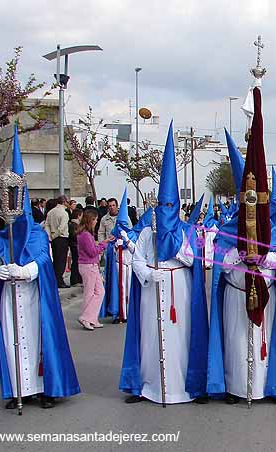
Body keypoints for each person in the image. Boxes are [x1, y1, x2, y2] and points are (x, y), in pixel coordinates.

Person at [207, 99, 276, 406]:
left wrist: (265, 258)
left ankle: (263, 387)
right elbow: (217, 258)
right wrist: (238, 258)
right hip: (235, 294)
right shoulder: (226, 227)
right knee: (234, 341)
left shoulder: (272, 227)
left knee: (264, 340)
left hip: (265, 291)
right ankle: (235, 388)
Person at [0, 126, 79, 410]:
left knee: (39, 339)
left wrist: (23, 272)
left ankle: (43, 388)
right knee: (13, 339)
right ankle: (19, 389)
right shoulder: (3, 235)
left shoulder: (38, 233)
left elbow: (42, 260)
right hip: (10, 298)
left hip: (32, 295)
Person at [119, 122, 208, 405]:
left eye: (172, 205)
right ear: (157, 205)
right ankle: (148, 386)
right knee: (150, 335)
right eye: (163, 205)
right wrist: (149, 272)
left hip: (179, 287)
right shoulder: (148, 232)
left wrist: (179, 250)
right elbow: (136, 260)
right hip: (152, 287)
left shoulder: (187, 230)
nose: (168, 209)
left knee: (182, 336)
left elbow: (195, 258)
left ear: (178, 207)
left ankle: (185, 385)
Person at [101, 189, 144, 324]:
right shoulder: (106, 223)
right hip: (118, 265)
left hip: (129, 264)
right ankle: (119, 312)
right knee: (118, 288)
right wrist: (112, 245)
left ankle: (130, 312)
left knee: (129, 288)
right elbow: (104, 237)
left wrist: (126, 240)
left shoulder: (131, 234)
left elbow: (134, 249)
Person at [76, 210, 114, 330]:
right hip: (88, 266)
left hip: (90, 265)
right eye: (95, 219)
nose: (96, 222)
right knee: (90, 293)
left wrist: (104, 242)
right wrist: (103, 245)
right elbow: (92, 251)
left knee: (100, 292)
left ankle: (91, 317)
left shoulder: (84, 234)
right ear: (90, 220)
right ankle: (86, 317)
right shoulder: (86, 235)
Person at [44, 196, 70, 288]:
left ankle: (55, 279)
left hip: (53, 239)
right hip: (61, 238)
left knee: (55, 259)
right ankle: (59, 280)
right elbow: (62, 227)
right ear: (64, 202)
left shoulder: (50, 212)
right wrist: (55, 235)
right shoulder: (64, 213)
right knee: (61, 261)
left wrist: (50, 236)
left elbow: (46, 224)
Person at [68, 208, 83, 287]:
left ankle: (78, 279)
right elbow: (74, 235)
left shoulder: (74, 224)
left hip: (76, 245)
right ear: (78, 216)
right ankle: (74, 280)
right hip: (75, 246)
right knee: (75, 263)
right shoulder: (74, 225)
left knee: (77, 262)